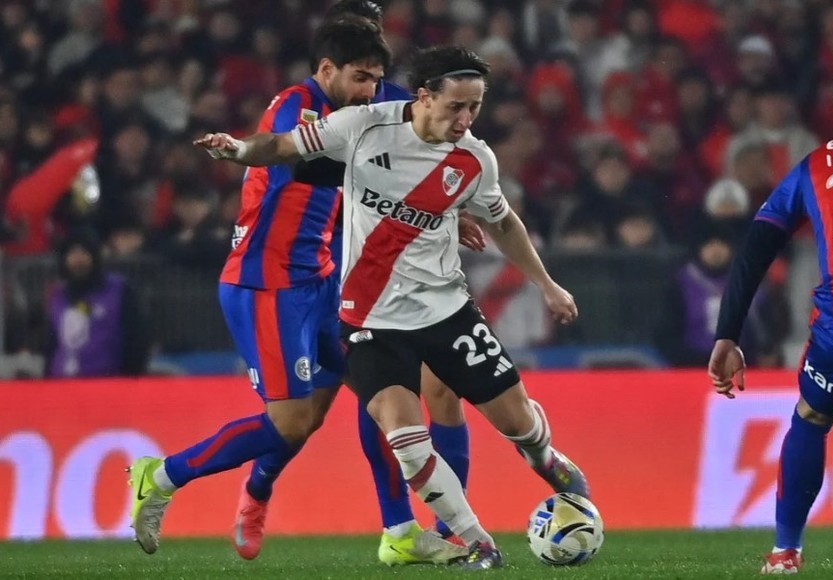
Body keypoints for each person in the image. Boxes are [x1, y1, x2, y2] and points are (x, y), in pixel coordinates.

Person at [195, 45, 590, 570]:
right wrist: (239, 152)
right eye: (457, 107)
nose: (465, 119)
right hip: (370, 323)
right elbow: (283, 146)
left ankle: (549, 462)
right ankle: (476, 541)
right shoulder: (363, 125)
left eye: (475, 108)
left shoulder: (475, 160)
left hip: (447, 314)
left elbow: (503, 223)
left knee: (521, 426)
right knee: (407, 442)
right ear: (424, 97)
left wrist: (548, 284)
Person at [124, 18, 400, 558]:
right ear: (327, 68)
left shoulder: (358, 110)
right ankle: (161, 476)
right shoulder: (295, 108)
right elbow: (293, 161)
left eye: (376, 81)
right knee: (291, 423)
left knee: (377, 395)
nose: (371, 92)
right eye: (361, 78)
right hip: (266, 283)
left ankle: (396, 532)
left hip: (318, 277)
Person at [229, 1, 477, 565]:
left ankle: (422, 528)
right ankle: (257, 488)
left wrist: (447, 206)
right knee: (303, 419)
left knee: (404, 393)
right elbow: (306, 165)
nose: (371, 79)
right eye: (360, 54)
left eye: (377, 40)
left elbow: (429, 142)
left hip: (349, 268)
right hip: (283, 275)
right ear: (329, 60)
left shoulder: (385, 97)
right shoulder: (298, 106)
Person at [708, 56, 833, 575]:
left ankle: (785, 551)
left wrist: (727, 334)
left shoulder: (817, 165)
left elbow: (756, 249)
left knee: (814, 417)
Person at [44, 227, 149, 377]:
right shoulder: (60, 295)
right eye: (72, 253)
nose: (78, 259)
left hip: (106, 384)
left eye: (84, 253)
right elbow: (52, 343)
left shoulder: (119, 291)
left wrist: (131, 380)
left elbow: (137, 338)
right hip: (62, 385)